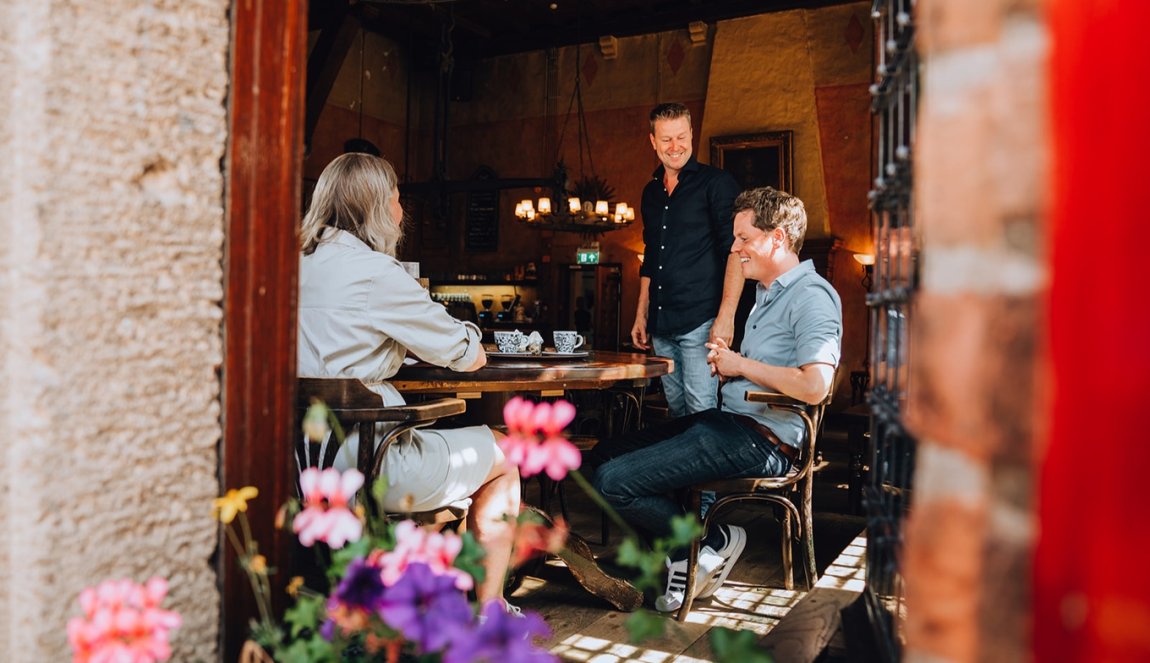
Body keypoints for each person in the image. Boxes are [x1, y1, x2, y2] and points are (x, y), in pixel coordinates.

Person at [591, 187, 842, 612]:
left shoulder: (812, 296)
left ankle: (707, 542)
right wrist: (732, 366)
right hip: (731, 425)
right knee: (601, 458)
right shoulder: (768, 293)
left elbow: (815, 385)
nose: (735, 247)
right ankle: (690, 553)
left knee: (614, 482)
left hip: (765, 441)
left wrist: (739, 364)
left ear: (776, 239)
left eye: (744, 238)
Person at [296, 153, 520, 607]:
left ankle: (420, 581)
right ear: (380, 207)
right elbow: (466, 355)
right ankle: (489, 608)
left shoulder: (293, 266)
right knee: (506, 453)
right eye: (398, 199)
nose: (403, 211)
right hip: (367, 464)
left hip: (297, 464)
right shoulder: (377, 274)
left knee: (445, 462)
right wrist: (465, 331)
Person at [632, 102, 743, 417]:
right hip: (662, 325)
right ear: (653, 141)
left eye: (681, 137)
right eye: (666, 139)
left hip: (701, 322)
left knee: (702, 412)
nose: (675, 146)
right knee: (678, 412)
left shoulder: (716, 184)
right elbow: (650, 257)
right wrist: (642, 315)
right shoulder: (650, 194)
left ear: (692, 135)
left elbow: (735, 252)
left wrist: (726, 316)